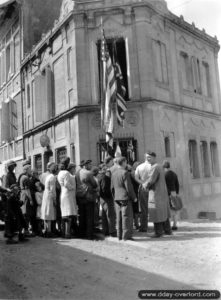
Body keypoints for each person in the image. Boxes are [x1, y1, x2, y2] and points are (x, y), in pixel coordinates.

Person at [143, 151, 171, 238]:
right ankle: (167, 230)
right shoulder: (159, 166)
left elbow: (151, 180)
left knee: (156, 212)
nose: (147, 159)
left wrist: (144, 185)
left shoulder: (154, 167)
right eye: (147, 157)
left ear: (154, 157)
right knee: (163, 212)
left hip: (156, 193)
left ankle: (158, 232)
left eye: (149, 157)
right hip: (162, 193)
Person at [111, 156, 137, 241]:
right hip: (125, 197)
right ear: (124, 162)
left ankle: (119, 235)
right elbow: (129, 187)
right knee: (126, 216)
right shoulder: (125, 173)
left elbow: (111, 188)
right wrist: (134, 197)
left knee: (118, 217)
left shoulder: (113, 173)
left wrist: (114, 196)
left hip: (117, 197)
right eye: (126, 162)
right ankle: (126, 236)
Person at [76, 159, 98, 240]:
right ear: (86, 165)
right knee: (89, 216)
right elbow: (94, 184)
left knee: (82, 215)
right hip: (88, 196)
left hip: (79, 195)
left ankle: (82, 233)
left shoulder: (77, 172)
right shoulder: (88, 173)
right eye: (90, 165)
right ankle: (89, 234)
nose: (91, 166)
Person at [57, 158, 78, 238]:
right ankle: (67, 233)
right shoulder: (66, 173)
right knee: (68, 215)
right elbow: (66, 184)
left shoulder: (60, 173)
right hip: (67, 194)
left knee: (64, 215)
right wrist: (72, 187)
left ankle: (63, 232)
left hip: (63, 193)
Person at [99, 157, 117, 237]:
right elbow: (105, 187)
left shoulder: (100, 175)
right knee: (110, 214)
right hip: (107, 197)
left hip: (102, 197)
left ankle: (105, 230)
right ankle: (112, 231)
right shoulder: (106, 174)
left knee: (104, 214)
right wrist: (110, 195)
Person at [134, 153, 151, 232]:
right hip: (152, 188)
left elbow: (136, 178)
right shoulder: (153, 166)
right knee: (155, 207)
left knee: (144, 209)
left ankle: (144, 227)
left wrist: (142, 183)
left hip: (143, 188)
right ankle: (159, 226)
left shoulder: (139, 167)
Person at [41, 162, 57, 237]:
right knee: (49, 214)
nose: (55, 168)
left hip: (46, 194)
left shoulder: (48, 176)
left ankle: (46, 230)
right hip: (49, 195)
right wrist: (54, 199)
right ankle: (49, 232)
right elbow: (52, 189)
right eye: (54, 167)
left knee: (46, 213)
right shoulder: (52, 177)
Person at [163, 160, 180, 230]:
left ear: (164, 167)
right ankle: (175, 225)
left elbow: (164, 185)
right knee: (175, 210)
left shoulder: (164, 174)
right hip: (174, 192)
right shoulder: (174, 174)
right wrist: (176, 193)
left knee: (168, 210)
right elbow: (177, 185)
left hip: (167, 193)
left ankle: (168, 226)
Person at [19, 164, 35, 236]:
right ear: (26, 170)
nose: (30, 170)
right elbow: (27, 189)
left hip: (23, 196)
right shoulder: (25, 177)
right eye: (29, 169)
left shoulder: (22, 177)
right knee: (26, 214)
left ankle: (24, 230)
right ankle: (26, 231)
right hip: (26, 197)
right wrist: (31, 199)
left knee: (25, 214)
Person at [130, 161, 141, 230]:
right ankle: (136, 224)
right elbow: (137, 181)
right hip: (135, 192)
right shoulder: (134, 172)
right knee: (135, 209)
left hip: (134, 191)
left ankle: (135, 223)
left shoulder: (133, 172)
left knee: (135, 209)